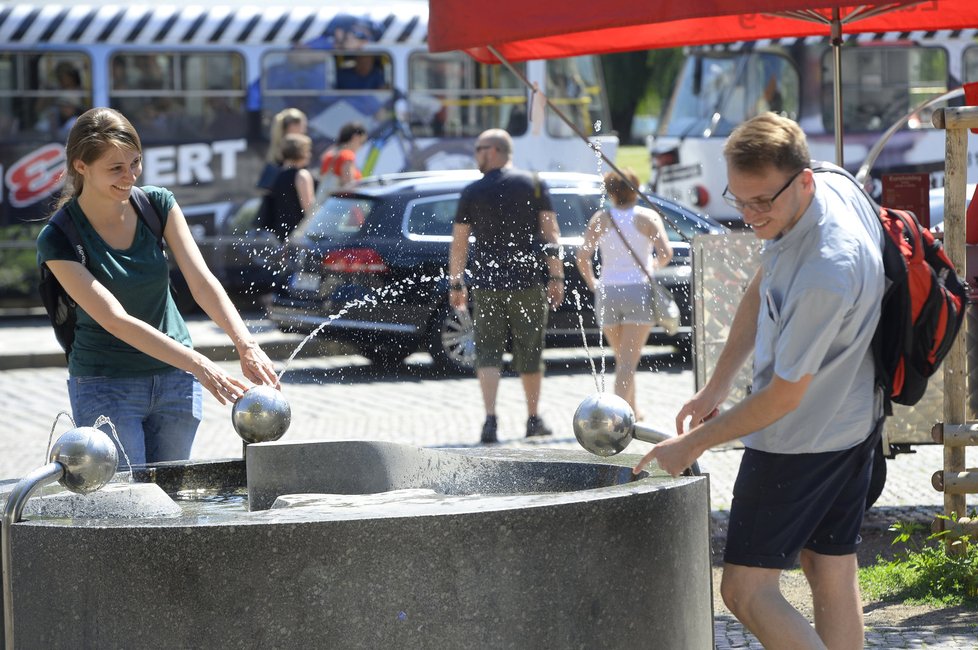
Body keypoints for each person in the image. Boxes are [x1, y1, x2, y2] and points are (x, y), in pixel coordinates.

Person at [634, 113, 884, 649]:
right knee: (829, 565)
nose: (748, 216)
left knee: (746, 590)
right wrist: (715, 387)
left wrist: (690, 444)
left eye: (761, 203)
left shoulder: (827, 267)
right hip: (852, 418)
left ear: (804, 180)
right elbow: (762, 281)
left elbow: (782, 398)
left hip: (799, 440)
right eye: (738, 200)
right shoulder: (822, 191)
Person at [36, 107, 280, 467]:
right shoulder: (58, 237)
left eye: (135, 163)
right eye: (115, 168)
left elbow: (202, 281)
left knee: (173, 500)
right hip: (106, 383)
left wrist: (246, 344)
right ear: (81, 166)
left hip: (174, 382)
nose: (129, 176)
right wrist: (200, 364)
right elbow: (114, 319)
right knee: (127, 509)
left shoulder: (157, 205)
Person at [447, 129, 564, 443]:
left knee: (488, 352)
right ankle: (532, 418)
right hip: (528, 284)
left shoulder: (472, 191)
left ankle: (490, 420)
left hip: (488, 285)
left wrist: (457, 282)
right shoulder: (534, 184)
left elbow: (459, 245)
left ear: (496, 150)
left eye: (479, 149)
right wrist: (556, 277)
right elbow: (551, 235)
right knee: (530, 351)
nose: (476, 155)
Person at [575, 168, 673, 419]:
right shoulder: (647, 218)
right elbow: (666, 253)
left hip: (607, 291)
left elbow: (582, 256)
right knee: (628, 361)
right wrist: (651, 267)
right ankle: (618, 418)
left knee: (623, 359)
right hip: (637, 290)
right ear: (635, 189)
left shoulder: (601, 218)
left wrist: (592, 282)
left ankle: (634, 409)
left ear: (610, 191)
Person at [258, 133, 316, 242]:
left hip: (280, 233)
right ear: (300, 152)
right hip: (298, 234)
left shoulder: (276, 174)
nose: (309, 154)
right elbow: (309, 208)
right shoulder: (302, 175)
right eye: (307, 150)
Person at [258, 108, 308, 191]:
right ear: (292, 126)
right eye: (303, 126)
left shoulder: (276, 155)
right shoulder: (290, 154)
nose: (304, 131)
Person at [318, 121, 368, 195]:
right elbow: (349, 186)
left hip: (327, 203)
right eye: (361, 142)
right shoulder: (347, 155)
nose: (361, 147)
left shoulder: (329, 154)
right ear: (355, 138)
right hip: (341, 204)